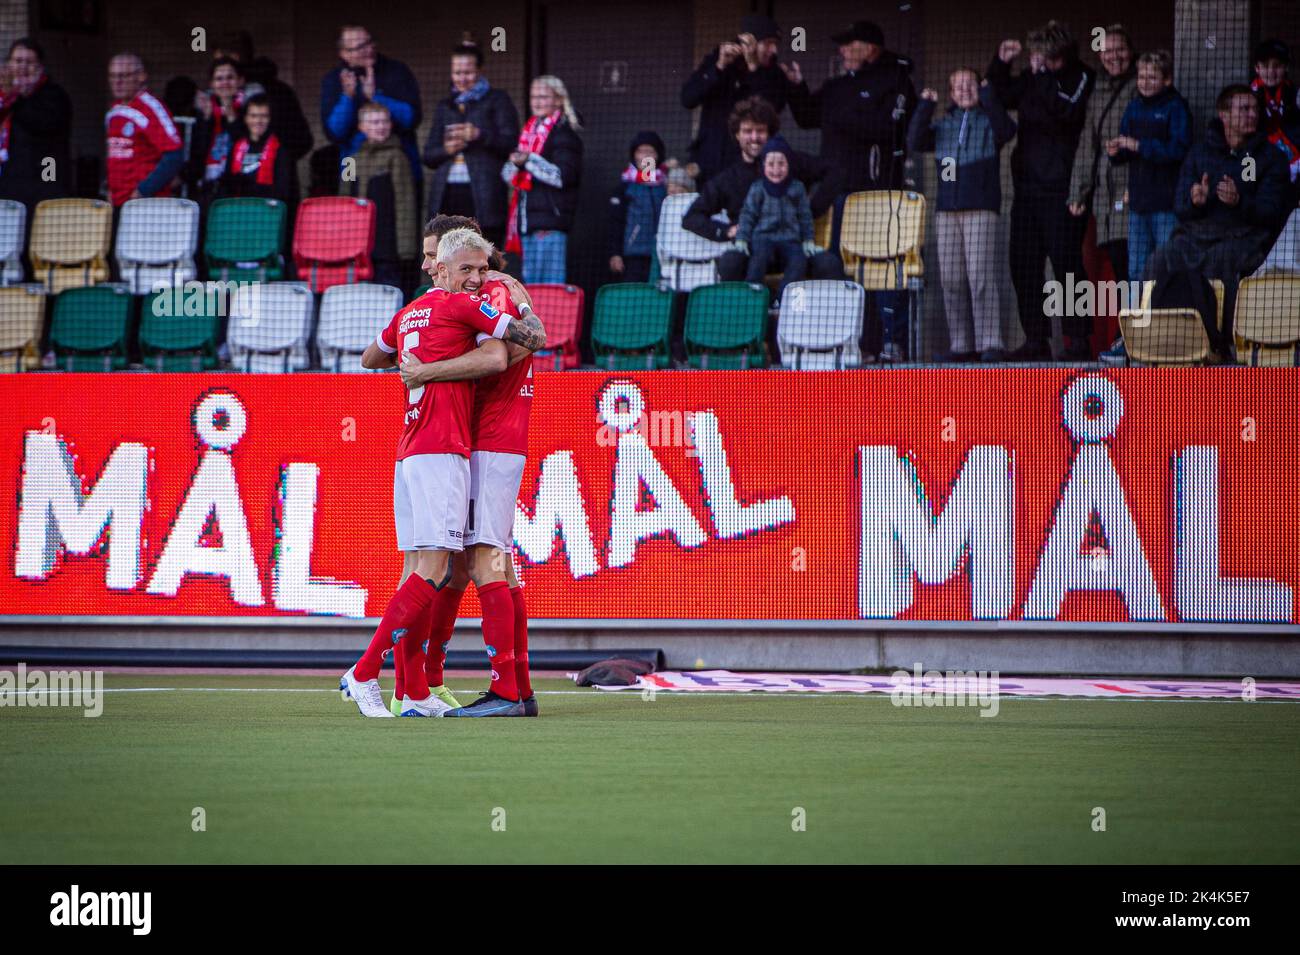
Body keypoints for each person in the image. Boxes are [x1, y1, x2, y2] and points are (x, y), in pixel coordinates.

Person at [341, 228, 544, 718]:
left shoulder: (464, 299)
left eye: (472, 266)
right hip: (453, 446)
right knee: (465, 565)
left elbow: (503, 354)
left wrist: (424, 367)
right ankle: (414, 685)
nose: (434, 267)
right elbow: (519, 342)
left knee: (471, 563)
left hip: (472, 443)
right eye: (433, 259)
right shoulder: (451, 306)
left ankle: (481, 689)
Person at [782, 20, 917, 361]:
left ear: (870, 48)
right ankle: (841, 342)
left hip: (877, 197)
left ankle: (889, 341)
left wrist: (844, 116)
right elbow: (808, 116)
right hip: (834, 197)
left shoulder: (896, 82)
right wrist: (796, 86)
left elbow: (892, 129)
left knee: (882, 268)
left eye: (848, 43)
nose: (841, 51)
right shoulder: (837, 87)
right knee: (835, 268)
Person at [1147, 84, 1291, 351]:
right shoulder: (1199, 153)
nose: (1252, 115)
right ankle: (1158, 338)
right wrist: (1195, 201)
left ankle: (1220, 343)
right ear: (1223, 115)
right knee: (1162, 256)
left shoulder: (1271, 157)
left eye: (1255, 109)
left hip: (1245, 237)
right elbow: (1180, 206)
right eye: (1244, 109)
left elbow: (1271, 211)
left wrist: (1240, 202)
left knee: (1220, 259)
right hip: (1198, 235)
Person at [986, 22, 1094, 361]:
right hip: (1027, 189)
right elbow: (1002, 95)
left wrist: (1043, 76)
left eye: (1042, 57)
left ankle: (1077, 340)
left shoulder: (1081, 78)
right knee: (1024, 264)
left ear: (1056, 55)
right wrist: (1001, 63)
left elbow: (1066, 112)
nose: (1036, 62)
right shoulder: (1033, 78)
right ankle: (1036, 339)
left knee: (1067, 266)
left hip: (1062, 191)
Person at [908, 68, 1017, 362]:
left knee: (981, 278)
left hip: (981, 209)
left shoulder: (989, 122)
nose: (964, 90)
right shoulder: (944, 124)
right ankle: (961, 344)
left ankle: (990, 342)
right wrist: (925, 106)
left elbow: (1008, 130)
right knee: (952, 279)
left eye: (970, 84)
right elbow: (915, 141)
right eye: (958, 86)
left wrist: (988, 96)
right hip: (947, 211)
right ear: (951, 93)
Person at [683, 97, 840, 284]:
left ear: (770, 133)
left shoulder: (792, 162)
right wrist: (727, 231)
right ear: (737, 135)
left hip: (793, 249)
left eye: (760, 131)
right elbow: (691, 217)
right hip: (752, 251)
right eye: (748, 131)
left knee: (829, 264)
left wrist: (811, 209)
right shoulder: (727, 179)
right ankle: (748, 311)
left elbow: (836, 172)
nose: (755, 137)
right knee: (729, 262)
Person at [424, 39, 520, 249]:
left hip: (484, 191)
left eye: (467, 72)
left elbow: (511, 143)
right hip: (447, 191)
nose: (462, 78)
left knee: (484, 250)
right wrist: (447, 149)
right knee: (448, 250)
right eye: (457, 73)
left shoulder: (497, 99)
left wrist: (479, 134)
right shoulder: (445, 106)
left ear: (480, 70)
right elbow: (429, 155)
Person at [1108, 51, 1191, 295]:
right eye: (1141, 76)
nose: (1144, 82)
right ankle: (1137, 325)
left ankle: (1166, 322)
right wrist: (1116, 152)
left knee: (1167, 265)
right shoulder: (1133, 107)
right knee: (1136, 268)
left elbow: (1178, 149)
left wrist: (1140, 146)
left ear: (1167, 80)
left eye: (1152, 77)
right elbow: (1126, 149)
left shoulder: (1176, 107)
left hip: (1166, 203)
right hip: (1138, 202)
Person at [680, 13, 794, 185]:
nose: (774, 50)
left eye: (775, 44)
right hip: (711, 166)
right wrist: (718, 67)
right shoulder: (718, 61)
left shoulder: (774, 74)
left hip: (749, 168)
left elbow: (772, 109)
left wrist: (754, 67)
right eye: (769, 43)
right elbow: (688, 98)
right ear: (750, 42)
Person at [1067, 25, 1136, 285]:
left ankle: (1132, 325)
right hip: (1104, 195)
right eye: (1108, 50)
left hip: (1132, 191)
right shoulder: (1096, 91)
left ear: (1131, 52)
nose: (1114, 56)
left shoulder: (1141, 84)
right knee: (1117, 265)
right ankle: (1125, 324)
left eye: (1120, 49)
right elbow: (1088, 145)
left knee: (1134, 266)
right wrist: (1078, 192)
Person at [321, 26, 421, 199]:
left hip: (398, 161)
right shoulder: (334, 79)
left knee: (398, 215)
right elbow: (335, 133)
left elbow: (412, 119)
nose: (369, 49)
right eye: (360, 47)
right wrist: (348, 97)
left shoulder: (397, 71)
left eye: (369, 42)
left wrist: (375, 97)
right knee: (349, 210)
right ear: (344, 54)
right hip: (350, 163)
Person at [503, 75, 583, 284]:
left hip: (551, 225)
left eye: (543, 97)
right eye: (533, 97)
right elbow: (507, 175)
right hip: (528, 224)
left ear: (558, 100)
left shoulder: (564, 133)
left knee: (551, 291)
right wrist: (518, 162)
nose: (537, 102)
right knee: (532, 292)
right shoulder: (528, 133)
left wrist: (528, 160)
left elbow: (562, 177)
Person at [341, 101, 416, 290]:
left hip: (387, 246)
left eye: (384, 122)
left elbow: (405, 202)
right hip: (356, 245)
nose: (380, 127)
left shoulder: (398, 157)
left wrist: (405, 247)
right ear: (362, 127)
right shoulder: (350, 160)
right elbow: (342, 199)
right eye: (374, 122)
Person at [733, 137, 817, 303]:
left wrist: (808, 239)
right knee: (758, 260)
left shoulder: (797, 188)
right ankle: (753, 298)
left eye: (781, 164)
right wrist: (742, 238)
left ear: (789, 165)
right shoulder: (757, 188)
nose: (776, 169)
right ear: (763, 165)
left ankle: (782, 299)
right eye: (771, 164)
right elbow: (748, 214)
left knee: (799, 262)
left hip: (790, 240)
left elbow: (805, 216)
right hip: (763, 239)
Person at [212, 31, 313, 169]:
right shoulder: (213, 98)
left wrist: (275, 163)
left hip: (271, 180)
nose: (222, 78)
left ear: (236, 58)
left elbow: (301, 140)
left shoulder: (277, 92)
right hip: (228, 179)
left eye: (221, 62)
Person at [0, 38, 72, 217]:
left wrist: (19, 97)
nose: (23, 67)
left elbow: (42, 124)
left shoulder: (54, 95)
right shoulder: (6, 96)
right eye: (18, 61)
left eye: (29, 62)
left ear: (40, 66)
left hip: (48, 170)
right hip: (10, 180)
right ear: (9, 64)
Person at [105, 53, 183, 207]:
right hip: (118, 203)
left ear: (141, 76)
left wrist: (143, 191)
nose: (117, 82)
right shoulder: (114, 112)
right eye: (112, 76)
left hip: (146, 206)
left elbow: (174, 155)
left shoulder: (151, 108)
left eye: (123, 76)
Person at [608, 131, 668, 283]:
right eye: (641, 151)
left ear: (658, 155)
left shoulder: (667, 185)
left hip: (662, 255)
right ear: (634, 155)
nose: (646, 156)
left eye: (650, 151)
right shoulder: (625, 186)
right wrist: (615, 254)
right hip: (633, 255)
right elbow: (616, 222)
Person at [216, 93, 293, 203]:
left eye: (264, 116)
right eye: (253, 116)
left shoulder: (280, 149)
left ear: (271, 119)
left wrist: (248, 187)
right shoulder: (236, 147)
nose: (258, 121)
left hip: (267, 213)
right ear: (246, 118)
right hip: (237, 211)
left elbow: (283, 191)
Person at [190, 57, 246, 205]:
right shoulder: (204, 111)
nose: (225, 83)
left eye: (230, 78)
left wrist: (232, 117)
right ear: (212, 84)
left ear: (240, 81)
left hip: (240, 187)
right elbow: (197, 155)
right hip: (208, 188)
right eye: (219, 79)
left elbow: (247, 147)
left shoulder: (249, 109)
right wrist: (207, 119)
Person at [1251, 39, 1300, 201]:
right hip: (1256, 160)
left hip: (1293, 164)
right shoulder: (1247, 96)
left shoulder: (1296, 94)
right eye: (1265, 66)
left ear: (1286, 67)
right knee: (1249, 185)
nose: (1271, 72)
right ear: (1257, 68)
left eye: (1277, 66)